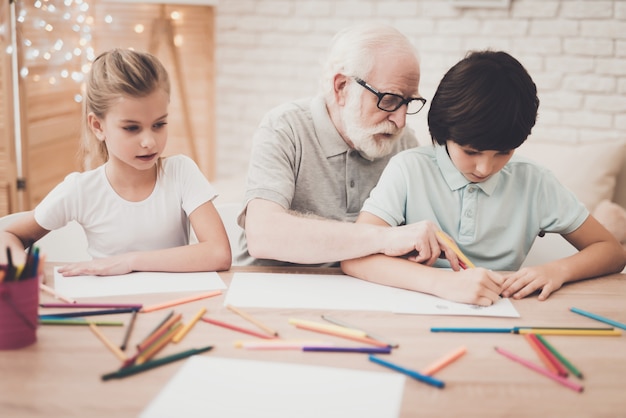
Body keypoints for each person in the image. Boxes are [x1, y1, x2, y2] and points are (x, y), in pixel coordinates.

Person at [341, 50, 626, 306]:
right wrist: (443, 284)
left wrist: (557, 270)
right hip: (416, 307)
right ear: (442, 133)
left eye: (503, 153)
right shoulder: (408, 169)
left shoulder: (535, 181)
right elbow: (356, 256)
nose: (484, 168)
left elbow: (611, 251)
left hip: (502, 310)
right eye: (471, 151)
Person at [235, 23, 457, 267]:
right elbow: (264, 234)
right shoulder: (285, 128)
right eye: (389, 99)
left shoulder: (404, 143)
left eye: (408, 102)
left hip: (362, 291)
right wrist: (384, 238)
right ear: (341, 87)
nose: (400, 120)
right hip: (269, 289)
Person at [0, 48, 232, 275]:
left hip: (177, 305)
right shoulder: (81, 190)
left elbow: (219, 253)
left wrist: (129, 261)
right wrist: (21, 266)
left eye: (159, 124)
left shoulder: (181, 172)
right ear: (98, 126)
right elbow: (8, 234)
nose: (149, 142)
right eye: (132, 128)